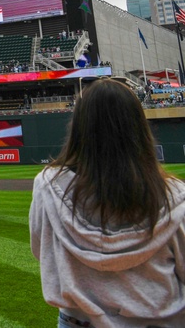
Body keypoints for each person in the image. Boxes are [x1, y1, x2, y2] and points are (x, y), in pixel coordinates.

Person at [30, 80, 185, 326]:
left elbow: (41, 252)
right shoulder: (175, 194)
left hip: (78, 320)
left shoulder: (47, 184)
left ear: (79, 126)